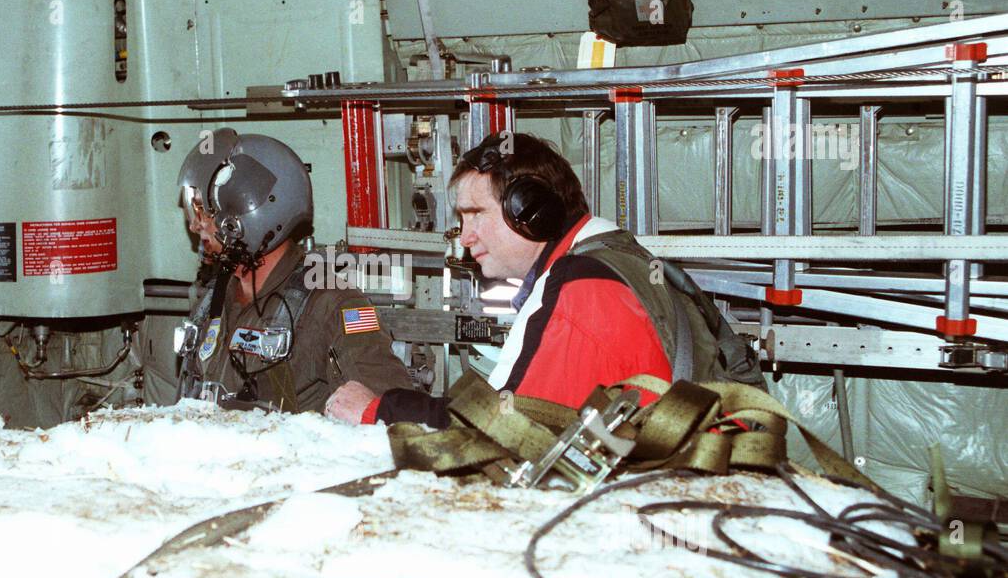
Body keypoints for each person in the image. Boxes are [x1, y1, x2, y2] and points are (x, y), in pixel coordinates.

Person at [326, 132, 764, 426]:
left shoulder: (582, 289)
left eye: (476, 214)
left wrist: (378, 408)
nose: (465, 237)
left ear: (530, 212)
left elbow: (503, 433)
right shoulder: (613, 257)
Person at [175, 129, 413, 414]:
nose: (194, 226)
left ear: (245, 209)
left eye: (203, 212)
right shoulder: (213, 300)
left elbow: (391, 419)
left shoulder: (333, 306)